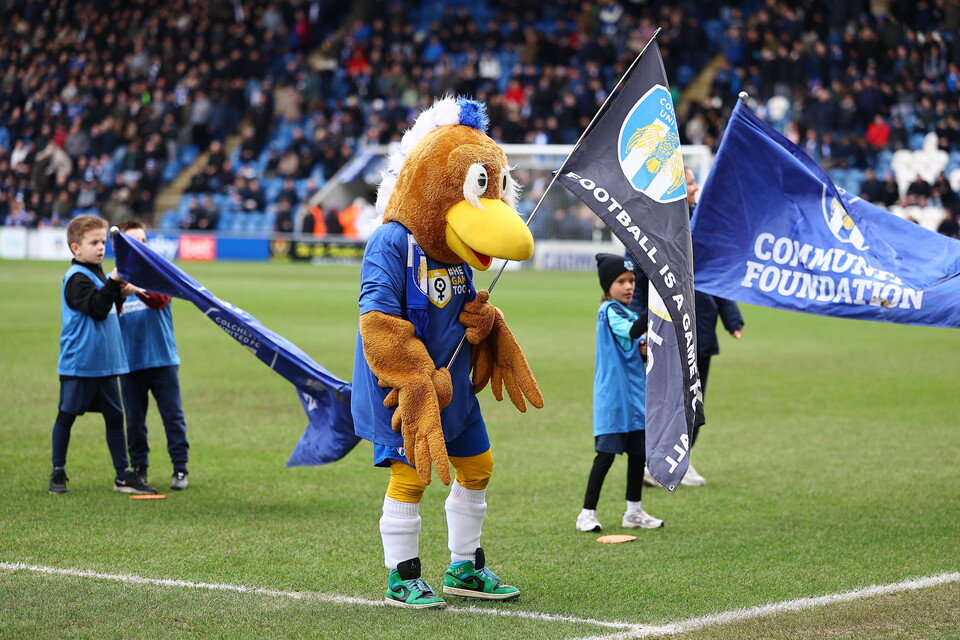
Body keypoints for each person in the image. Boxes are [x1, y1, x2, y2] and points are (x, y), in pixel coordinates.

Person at [49, 214, 156, 495]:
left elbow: (108, 302)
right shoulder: (76, 278)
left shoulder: (98, 273)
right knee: (66, 416)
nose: (100, 247)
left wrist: (119, 291)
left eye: (102, 242)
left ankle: (123, 475)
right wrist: (113, 282)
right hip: (80, 364)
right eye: (93, 242)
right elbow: (96, 309)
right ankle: (58, 471)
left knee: (114, 417)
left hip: (106, 364)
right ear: (76, 248)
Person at [576, 253, 663, 533]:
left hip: (635, 399)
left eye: (632, 281)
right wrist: (658, 302)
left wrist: (644, 351)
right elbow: (632, 331)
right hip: (614, 400)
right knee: (606, 456)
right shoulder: (609, 311)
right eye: (621, 281)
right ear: (607, 286)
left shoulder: (628, 312)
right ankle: (587, 513)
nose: (628, 287)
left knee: (638, 455)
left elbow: (636, 344)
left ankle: (633, 512)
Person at [116, 220, 190, 491]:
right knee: (135, 421)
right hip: (130, 363)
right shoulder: (114, 279)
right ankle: (139, 468)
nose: (142, 246)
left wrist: (136, 289)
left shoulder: (159, 273)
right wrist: (120, 292)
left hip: (163, 359)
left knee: (173, 417)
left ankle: (180, 469)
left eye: (144, 241)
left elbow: (161, 301)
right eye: (135, 242)